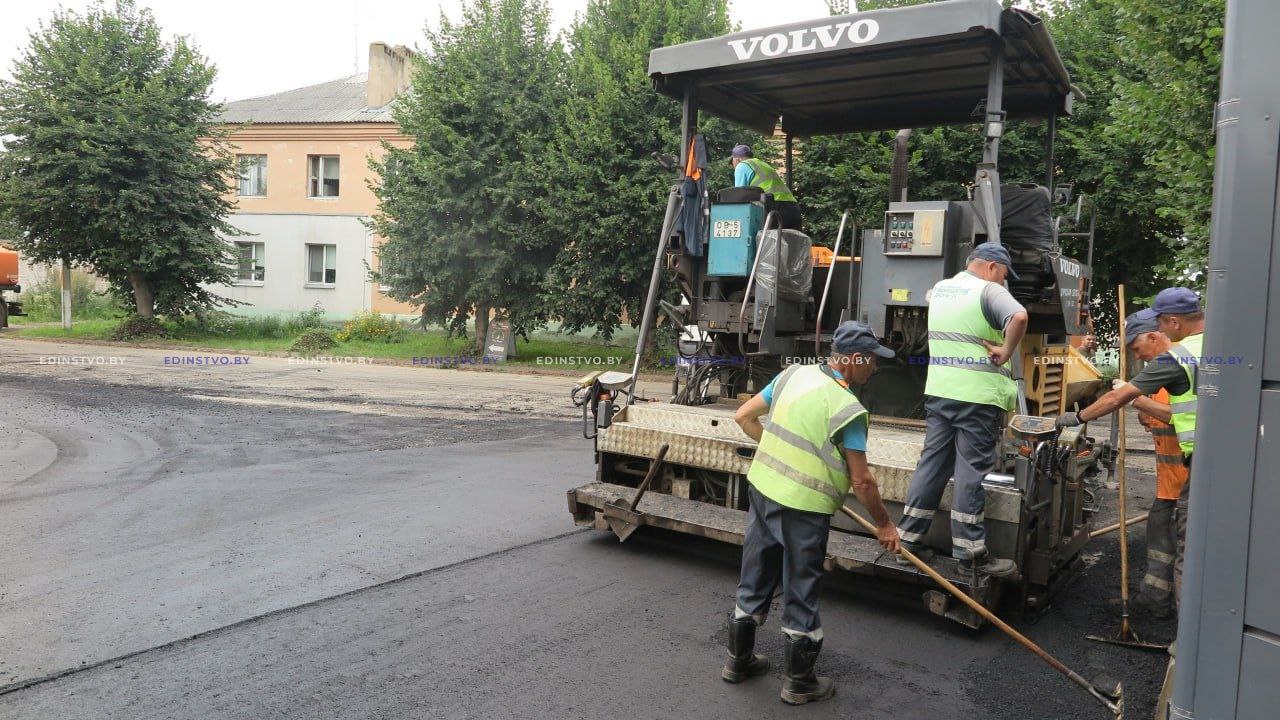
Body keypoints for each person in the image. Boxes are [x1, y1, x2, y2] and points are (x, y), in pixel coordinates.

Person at [727, 321, 900, 705]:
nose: (875, 368)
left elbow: (743, 416)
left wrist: (777, 450)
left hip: (763, 490)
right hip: (803, 509)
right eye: (872, 360)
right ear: (854, 359)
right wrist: (885, 524)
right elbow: (863, 482)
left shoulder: (793, 374)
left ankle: (737, 663)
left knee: (754, 574)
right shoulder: (848, 409)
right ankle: (799, 683)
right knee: (801, 588)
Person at [1056, 289, 1204, 598]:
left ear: (1168, 326)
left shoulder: (1178, 358)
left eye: (1138, 346)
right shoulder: (1217, 347)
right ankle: (1160, 607)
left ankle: (1187, 639)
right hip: (1184, 475)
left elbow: (1123, 400)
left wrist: (1078, 417)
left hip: (1193, 474)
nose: (1137, 355)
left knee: (1188, 556)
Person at [895, 242, 1028, 577]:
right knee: (971, 471)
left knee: (932, 465)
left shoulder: (941, 289)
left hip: (940, 392)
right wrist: (1006, 349)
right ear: (991, 267)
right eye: (1003, 275)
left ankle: (907, 541)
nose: (1002, 282)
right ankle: (971, 553)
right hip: (977, 397)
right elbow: (1020, 316)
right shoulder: (987, 291)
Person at [730, 144, 803, 231]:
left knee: (768, 242)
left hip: (774, 207)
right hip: (793, 207)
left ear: (737, 159)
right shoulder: (763, 164)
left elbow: (739, 196)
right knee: (792, 243)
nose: (733, 166)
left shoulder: (742, 165)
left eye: (732, 163)